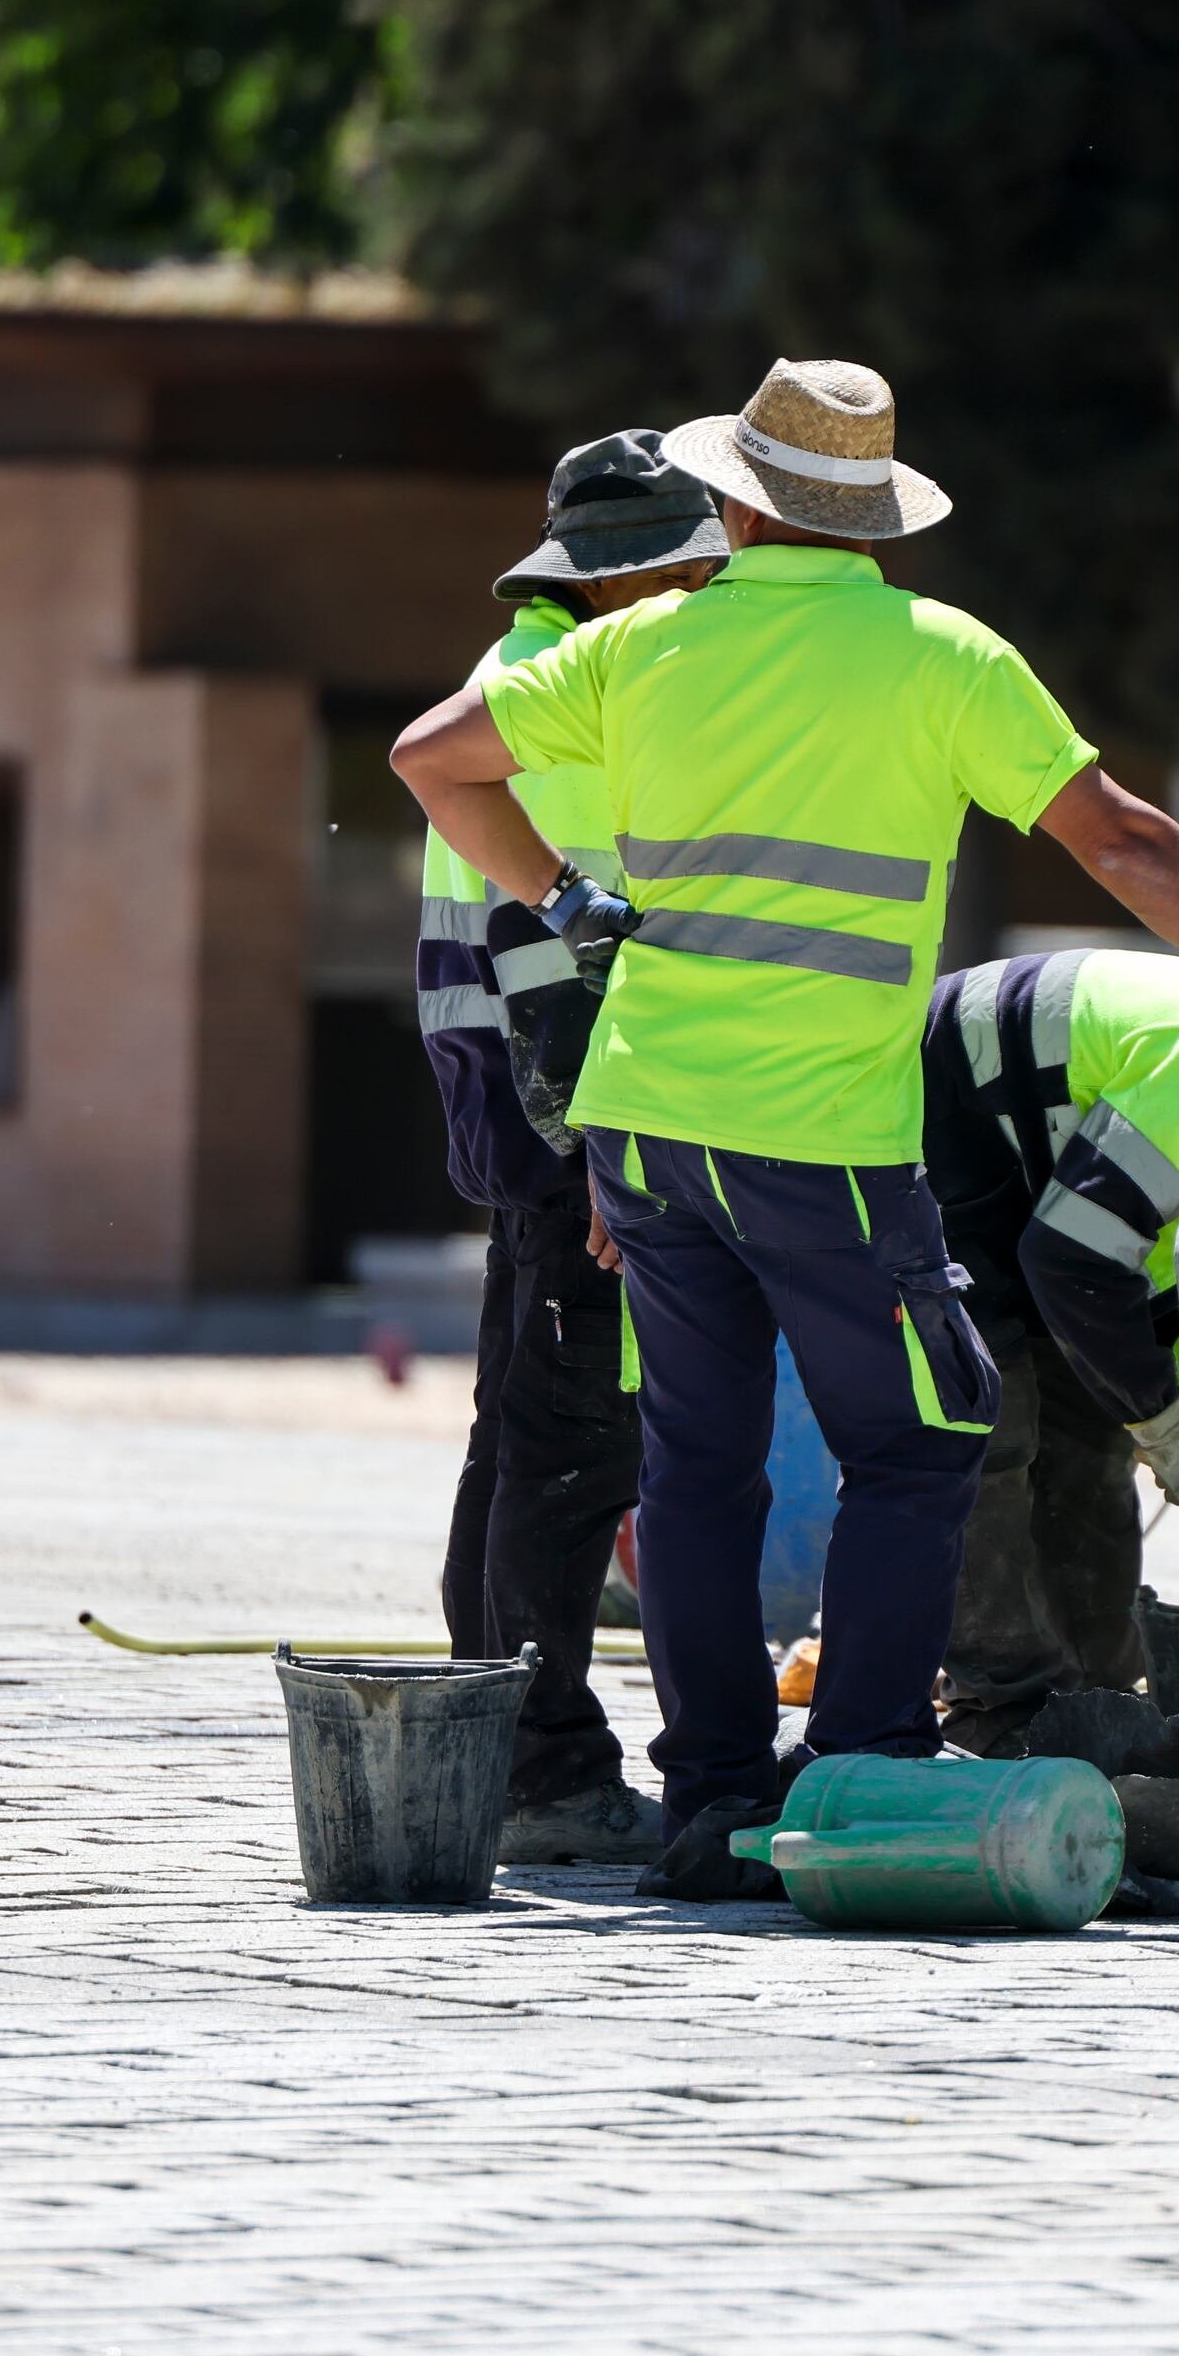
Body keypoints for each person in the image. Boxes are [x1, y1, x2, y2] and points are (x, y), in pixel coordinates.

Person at [390, 357, 1179, 1893]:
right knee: (919, 1435)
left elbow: (431, 759)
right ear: (869, 513)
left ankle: (710, 1801)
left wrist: (558, 889)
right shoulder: (940, 655)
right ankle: (862, 1767)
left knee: (695, 1458)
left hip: (647, 1130)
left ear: (736, 498)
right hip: (821, 1132)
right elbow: (1126, 840)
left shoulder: (641, 647)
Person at [417, 431, 727, 1865]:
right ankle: (543, 1769)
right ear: (633, 577)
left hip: (519, 1114)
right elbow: (552, 944)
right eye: (692, 567)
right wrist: (606, 1140)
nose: (709, 592)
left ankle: (493, 1741)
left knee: (516, 1433)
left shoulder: (523, 661)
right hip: (571, 1116)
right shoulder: (569, 695)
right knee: (572, 1448)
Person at [917, 944, 1179, 1752]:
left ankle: (1096, 1695)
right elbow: (1074, 1257)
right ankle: (1004, 1708)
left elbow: (1154, 1274)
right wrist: (1166, 1426)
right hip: (939, 1102)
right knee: (988, 1420)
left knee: (1090, 1424)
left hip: (1045, 1143)